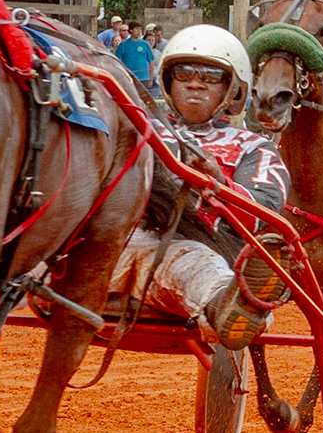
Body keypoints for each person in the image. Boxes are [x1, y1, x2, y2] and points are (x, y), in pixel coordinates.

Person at [108, 24, 290, 348]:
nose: (194, 82)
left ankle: (233, 306)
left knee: (194, 265)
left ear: (232, 89)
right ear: (167, 81)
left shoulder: (255, 147)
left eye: (210, 76)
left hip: (188, 253)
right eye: (184, 73)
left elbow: (261, 216)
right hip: (109, 247)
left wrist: (220, 183)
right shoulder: (135, 126)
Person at [115, 22, 156, 96]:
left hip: (143, 77)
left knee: (143, 99)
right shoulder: (123, 45)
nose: (139, 31)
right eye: (136, 29)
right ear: (131, 30)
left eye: (140, 29)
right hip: (129, 78)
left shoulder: (145, 44)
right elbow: (118, 63)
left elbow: (151, 62)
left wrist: (150, 78)